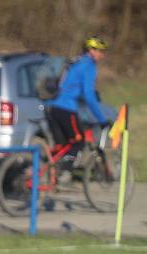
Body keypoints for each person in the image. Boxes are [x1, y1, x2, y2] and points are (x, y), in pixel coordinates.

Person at [46, 37, 111, 171]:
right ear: (91, 50)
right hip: (66, 109)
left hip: (52, 107)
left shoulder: (76, 61)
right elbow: (88, 95)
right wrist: (102, 119)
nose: (103, 55)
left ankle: (43, 169)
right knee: (79, 141)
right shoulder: (89, 66)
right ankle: (65, 173)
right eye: (100, 51)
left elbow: (69, 86)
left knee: (62, 145)